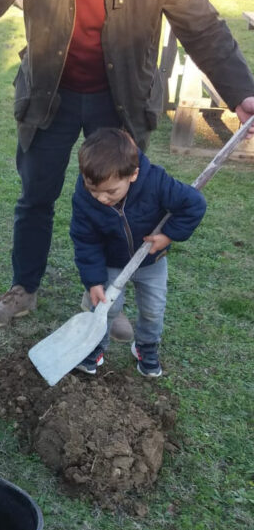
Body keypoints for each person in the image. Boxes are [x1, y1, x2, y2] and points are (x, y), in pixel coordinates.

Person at [0, 0, 254, 340]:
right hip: (48, 94)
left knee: (120, 203)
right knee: (35, 197)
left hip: (122, 99)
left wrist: (242, 91)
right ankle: (23, 289)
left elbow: (203, 27)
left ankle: (108, 297)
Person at [70, 128, 206, 377]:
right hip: (112, 261)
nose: (101, 198)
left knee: (153, 308)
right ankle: (95, 347)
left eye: (110, 192)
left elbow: (194, 204)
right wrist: (94, 281)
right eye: (93, 189)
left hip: (150, 260)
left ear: (133, 175)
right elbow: (85, 241)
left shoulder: (156, 182)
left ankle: (146, 346)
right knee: (106, 306)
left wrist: (168, 236)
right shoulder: (84, 198)